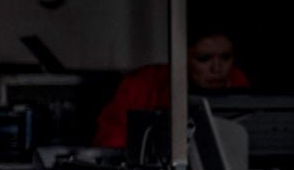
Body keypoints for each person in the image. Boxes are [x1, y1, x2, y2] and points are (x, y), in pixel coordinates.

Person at [93, 25, 250, 148]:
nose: (217, 69)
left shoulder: (238, 83)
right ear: (181, 57)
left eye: (226, 57)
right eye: (204, 59)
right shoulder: (143, 84)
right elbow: (112, 139)